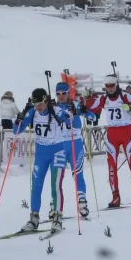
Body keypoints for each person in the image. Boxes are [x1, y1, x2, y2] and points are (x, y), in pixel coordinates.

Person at [85, 74, 131, 207]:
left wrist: (130, 107)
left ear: (116, 85)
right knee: (112, 168)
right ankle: (116, 197)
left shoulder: (125, 96)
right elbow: (90, 106)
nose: (110, 88)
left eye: (112, 86)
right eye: (107, 86)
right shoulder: (103, 98)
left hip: (127, 134)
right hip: (112, 135)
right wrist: (86, 98)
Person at [13, 88, 70, 233]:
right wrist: (19, 119)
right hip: (41, 154)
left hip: (57, 152)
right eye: (35, 104)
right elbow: (16, 131)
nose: (38, 107)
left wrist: (69, 112)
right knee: (36, 186)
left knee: (55, 186)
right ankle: (34, 218)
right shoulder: (32, 112)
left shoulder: (56, 111)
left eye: (40, 104)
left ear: (46, 101)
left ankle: (57, 217)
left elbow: (69, 119)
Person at [54, 81, 90, 220]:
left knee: (78, 174)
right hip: (60, 144)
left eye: (63, 93)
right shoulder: (54, 107)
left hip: (75, 143)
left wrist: (84, 111)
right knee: (57, 177)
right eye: (58, 94)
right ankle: (54, 206)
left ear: (69, 93)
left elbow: (91, 116)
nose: (61, 96)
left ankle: (82, 203)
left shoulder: (76, 104)